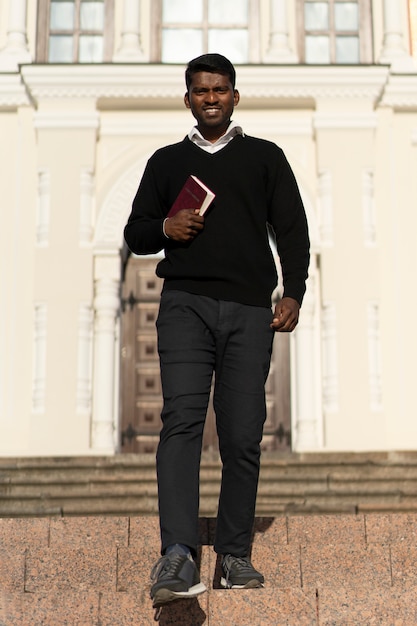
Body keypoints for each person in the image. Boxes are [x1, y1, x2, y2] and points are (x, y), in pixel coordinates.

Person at [124, 53, 310, 609]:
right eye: (201, 90)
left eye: (221, 90)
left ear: (235, 96)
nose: (211, 98)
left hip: (251, 311)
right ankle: (178, 551)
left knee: (242, 434)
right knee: (181, 421)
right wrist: (165, 226)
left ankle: (233, 555)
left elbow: (294, 230)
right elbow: (136, 233)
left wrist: (294, 290)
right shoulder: (165, 162)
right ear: (187, 98)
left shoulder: (265, 158)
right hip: (185, 306)